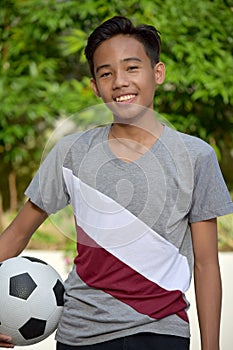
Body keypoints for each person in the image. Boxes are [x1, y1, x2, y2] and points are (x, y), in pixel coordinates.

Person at [0, 16, 232, 350]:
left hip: (161, 333)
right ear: (95, 86)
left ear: (158, 73)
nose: (119, 81)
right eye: (106, 73)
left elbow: (206, 263)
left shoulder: (196, 157)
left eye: (132, 68)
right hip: (80, 335)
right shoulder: (71, 152)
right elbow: (18, 233)